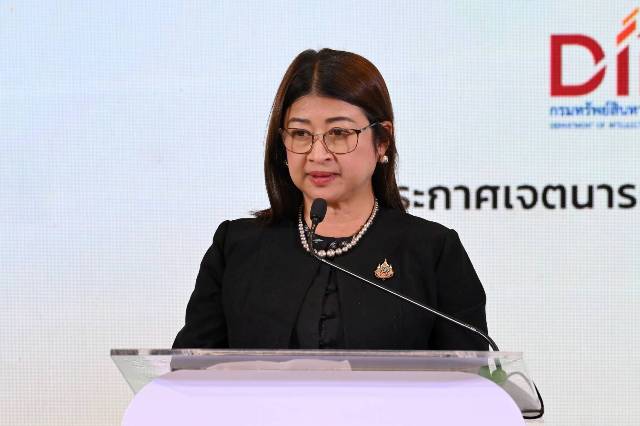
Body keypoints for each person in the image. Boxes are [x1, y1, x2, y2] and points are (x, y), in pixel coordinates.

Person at [172, 48, 488, 350]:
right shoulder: (236, 248)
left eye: (339, 133)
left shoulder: (432, 251)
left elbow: (469, 378)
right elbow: (189, 372)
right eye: (300, 134)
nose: (318, 154)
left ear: (382, 141)